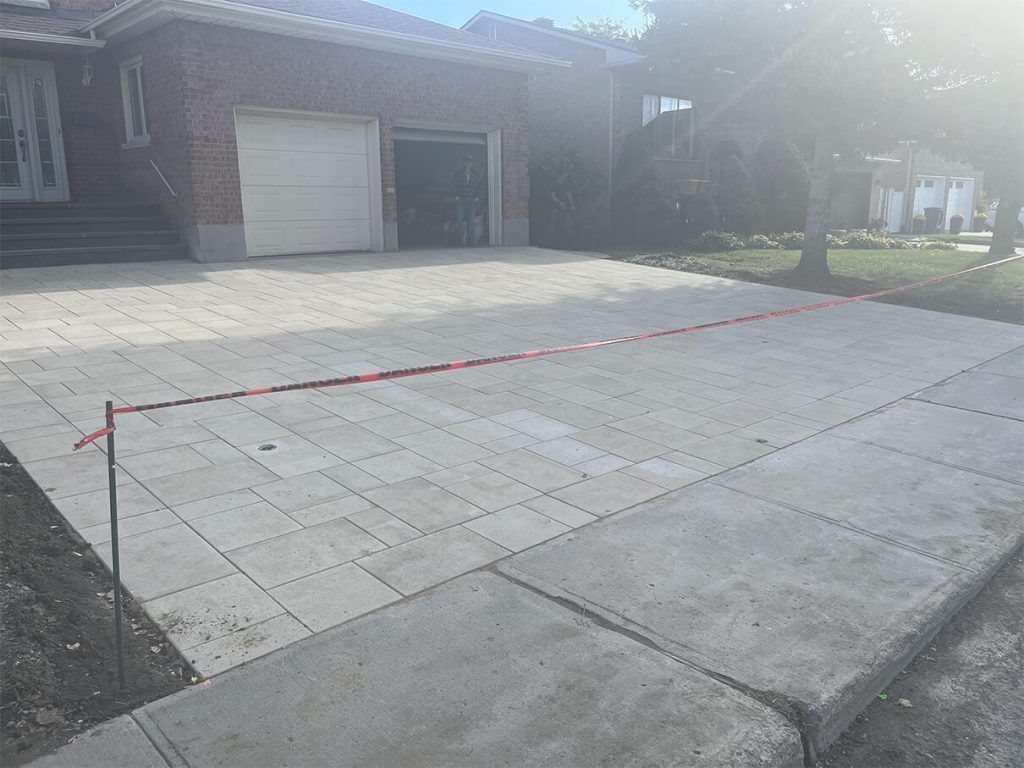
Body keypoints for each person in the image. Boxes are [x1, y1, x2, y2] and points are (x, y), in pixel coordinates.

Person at [451, 154, 483, 246]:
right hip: (461, 202)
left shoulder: (475, 176)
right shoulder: (458, 175)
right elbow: (452, 186)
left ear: (472, 164)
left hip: (471, 202)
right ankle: (457, 242)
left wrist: (477, 197)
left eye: (470, 162)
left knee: (471, 223)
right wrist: (456, 196)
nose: (468, 163)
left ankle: (470, 243)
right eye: (466, 161)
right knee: (458, 223)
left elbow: (479, 188)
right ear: (463, 163)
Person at [549, 172, 576, 248]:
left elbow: (568, 194)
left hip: (565, 208)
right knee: (553, 226)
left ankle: (572, 243)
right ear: (559, 176)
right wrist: (559, 203)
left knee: (568, 225)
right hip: (556, 209)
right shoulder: (554, 185)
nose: (565, 178)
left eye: (566, 176)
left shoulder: (565, 185)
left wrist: (572, 204)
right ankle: (551, 243)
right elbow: (552, 196)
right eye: (564, 176)